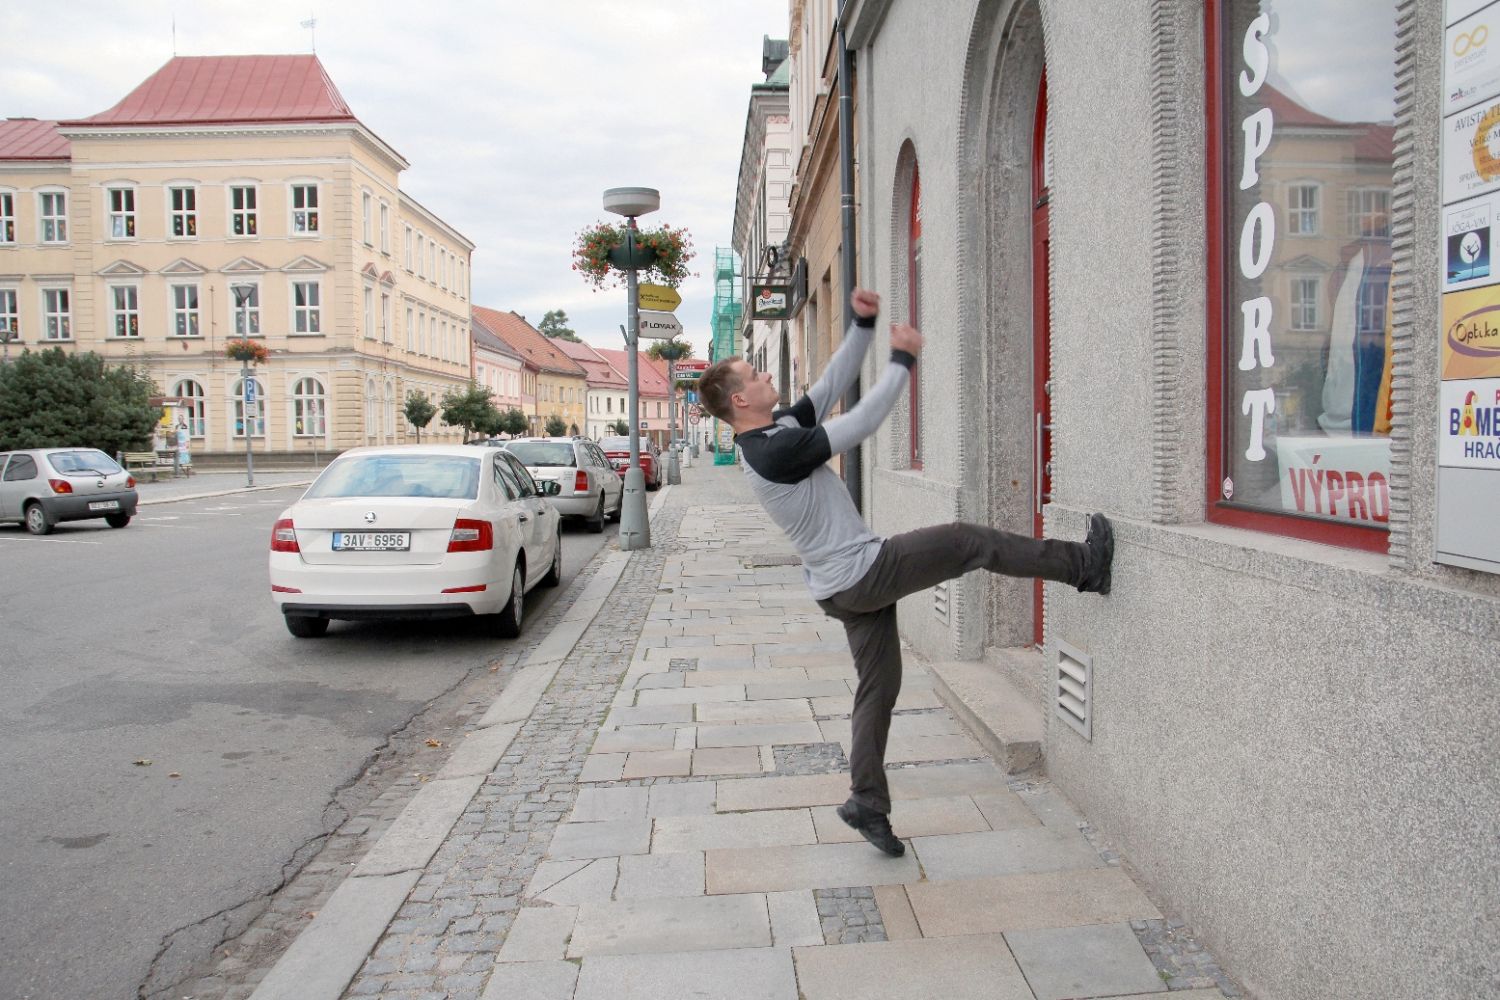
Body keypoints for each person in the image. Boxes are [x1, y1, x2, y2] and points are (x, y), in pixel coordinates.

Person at [696, 288, 1113, 857]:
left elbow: (830, 387)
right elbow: (862, 421)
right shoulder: (775, 452)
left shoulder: (772, 432)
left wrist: (862, 325)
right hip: (863, 573)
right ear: (741, 399)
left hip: (840, 588)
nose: (767, 374)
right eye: (755, 374)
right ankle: (1085, 566)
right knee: (969, 541)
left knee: (879, 688)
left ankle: (866, 803)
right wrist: (902, 359)